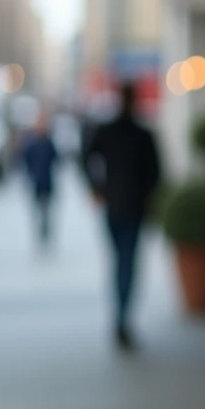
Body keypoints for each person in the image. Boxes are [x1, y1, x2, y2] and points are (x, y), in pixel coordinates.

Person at [82, 83, 161, 350]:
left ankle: (121, 317)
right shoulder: (140, 134)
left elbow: (86, 157)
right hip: (129, 208)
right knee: (126, 262)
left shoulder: (113, 131)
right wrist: (96, 188)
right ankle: (122, 317)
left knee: (121, 262)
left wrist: (97, 188)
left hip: (117, 206)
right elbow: (156, 175)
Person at [20, 113, 59, 250]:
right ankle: (40, 231)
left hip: (47, 181)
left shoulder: (48, 142)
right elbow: (26, 160)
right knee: (38, 208)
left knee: (47, 209)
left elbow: (56, 159)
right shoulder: (32, 144)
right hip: (37, 182)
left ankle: (46, 230)